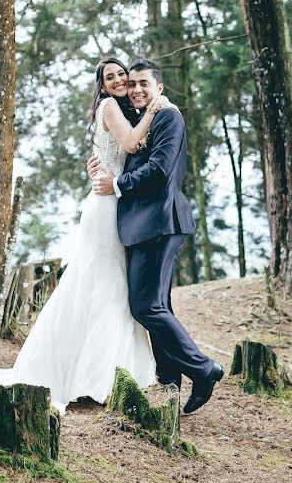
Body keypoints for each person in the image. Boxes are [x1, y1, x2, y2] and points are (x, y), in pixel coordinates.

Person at [0, 57, 170, 414]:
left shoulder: (124, 109)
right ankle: (95, 375)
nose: (119, 80)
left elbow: (114, 151)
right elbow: (128, 145)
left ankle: (115, 370)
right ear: (103, 86)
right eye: (110, 77)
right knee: (104, 283)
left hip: (112, 200)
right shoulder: (111, 107)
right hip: (105, 206)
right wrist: (156, 110)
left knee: (108, 283)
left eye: (122, 74)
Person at [89, 58, 223, 415]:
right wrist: (101, 164)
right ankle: (169, 380)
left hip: (159, 223)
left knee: (145, 307)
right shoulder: (140, 118)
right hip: (142, 226)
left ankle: (203, 369)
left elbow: (161, 171)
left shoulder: (168, 116)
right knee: (158, 306)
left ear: (159, 87)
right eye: (131, 84)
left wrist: (116, 183)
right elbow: (126, 149)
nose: (135, 89)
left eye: (143, 83)